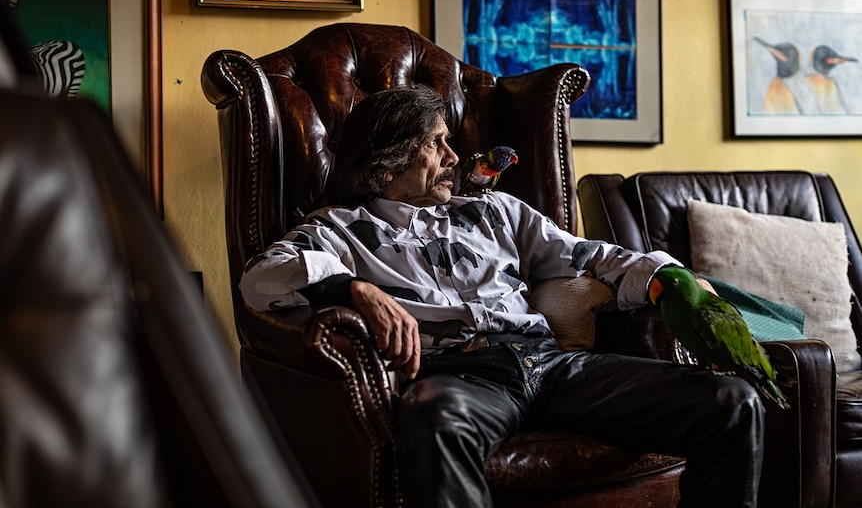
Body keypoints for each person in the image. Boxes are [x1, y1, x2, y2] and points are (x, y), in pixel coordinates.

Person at [240, 85, 765, 508]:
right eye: (436, 144)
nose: (454, 157)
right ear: (386, 168)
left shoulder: (496, 212)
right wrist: (353, 288)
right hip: (461, 376)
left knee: (730, 401)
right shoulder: (342, 230)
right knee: (433, 417)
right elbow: (261, 278)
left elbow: (591, 256)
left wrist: (670, 280)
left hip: (554, 366)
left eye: (449, 141)